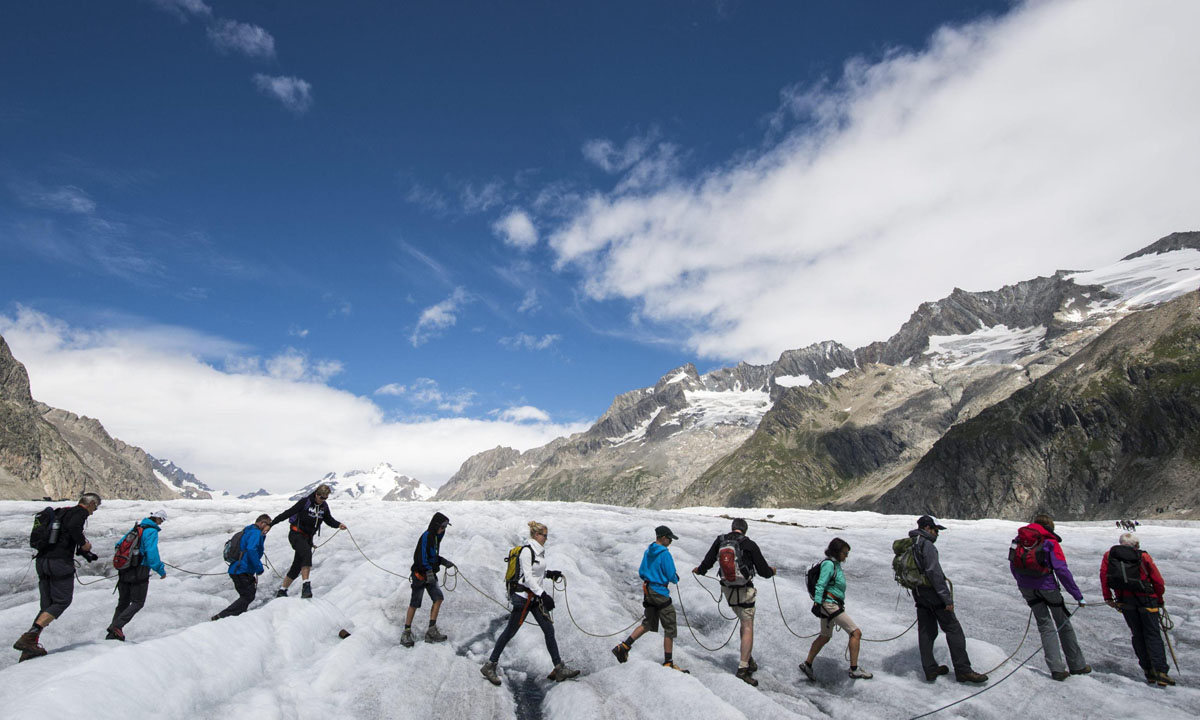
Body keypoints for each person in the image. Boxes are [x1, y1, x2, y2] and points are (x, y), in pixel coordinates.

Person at [480, 521, 579, 685]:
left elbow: (535, 572)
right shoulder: (527, 551)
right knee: (509, 632)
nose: (546, 538)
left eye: (546, 535)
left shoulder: (538, 552)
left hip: (533, 598)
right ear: (535, 535)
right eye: (544, 535)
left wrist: (549, 574)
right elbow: (526, 577)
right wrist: (544, 595)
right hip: (522, 598)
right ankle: (490, 665)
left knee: (548, 629)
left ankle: (558, 668)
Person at [12, 492, 102, 661]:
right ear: (90, 504)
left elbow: (63, 535)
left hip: (42, 561)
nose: (94, 511)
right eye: (95, 507)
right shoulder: (79, 513)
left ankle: (29, 649)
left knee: (47, 606)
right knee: (62, 601)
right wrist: (84, 544)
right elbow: (74, 528)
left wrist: (83, 552)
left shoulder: (61, 512)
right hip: (59, 564)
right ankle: (29, 638)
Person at [693, 517, 777, 685]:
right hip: (745, 591)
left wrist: (699, 570)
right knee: (747, 626)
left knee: (741, 620)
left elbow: (708, 562)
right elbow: (763, 571)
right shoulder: (749, 544)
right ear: (745, 530)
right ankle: (743, 668)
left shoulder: (721, 541)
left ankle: (748, 657)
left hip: (728, 591)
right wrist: (772, 571)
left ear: (732, 528)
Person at [1009, 512, 1090, 680]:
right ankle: (1077, 665)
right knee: (1063, 623)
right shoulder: (1050, 541)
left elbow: (1012, 564)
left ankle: (1057, 669)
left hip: (1027, 588)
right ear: (1050, 527)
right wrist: (1077, 595)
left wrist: (1022, 583)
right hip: (1047, 587)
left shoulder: (1018, 540)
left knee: (1045, 625)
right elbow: (1061, 570)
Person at [909, 515, 988, 684]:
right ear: (927, 528)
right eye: (936, 530)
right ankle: (963, 670)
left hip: (919, 592)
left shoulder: (911, 543)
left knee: (926, 631)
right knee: (953, 629)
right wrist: (947, 599)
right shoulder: (926, 545)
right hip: (932, 593)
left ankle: (930, 669)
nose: (937, 533)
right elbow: (934, 573)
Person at [1100, 532, 1173, 687]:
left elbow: (1104, 576)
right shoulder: (1143, 557)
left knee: (1137, 635)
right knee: (1152, 635)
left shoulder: (1109, 556)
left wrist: (1108, 598)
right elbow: (1157, 580)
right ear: (1136, 545)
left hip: (1125, 601)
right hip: (1147, 600)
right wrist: (1159, 599)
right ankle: (1160, 671)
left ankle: (1148, 670)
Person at [611, 525, 687, 672]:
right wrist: (674, 578)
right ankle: (668, 662)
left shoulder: (649, 550)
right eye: (670, 538)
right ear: (663, 538)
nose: (671, 541)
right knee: (669, 627)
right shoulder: (665, 554)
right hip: (660, 592)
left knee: (648, 623)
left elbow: (641, 571)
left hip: (648, 590)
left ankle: (624, 646)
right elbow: (671, 574)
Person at [800, 537, 873, 681]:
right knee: (855, 633)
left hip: (830, 604)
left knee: (825, 636)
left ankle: (807, 664)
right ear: (837, 551)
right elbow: (821, 584)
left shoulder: (835, 564)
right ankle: (854, 669)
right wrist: (817, 603)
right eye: (844, 553)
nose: (846, 556)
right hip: (830, 605)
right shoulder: (829, 565)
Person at [270, 484, 346, 599]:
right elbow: (288, 513)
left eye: (325, 498)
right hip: (296, 534)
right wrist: (271, 524)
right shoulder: (305, 502)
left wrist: (338, 525)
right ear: (316, 494)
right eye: (321, 497)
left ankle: (282, 591)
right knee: (306, 552)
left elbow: (329, 520)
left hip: (307, 538)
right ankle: (306, 586)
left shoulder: (324, 507)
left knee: (297, 566)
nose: (323, 500)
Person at [106, 508, 169, 641]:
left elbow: (118, 545)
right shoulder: (151, 531)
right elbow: (151, 553)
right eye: (162, 520)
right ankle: (116, 626)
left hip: (125, 570)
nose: (161, 523)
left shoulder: (137, 528)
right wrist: (161, 570)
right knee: (138, 602)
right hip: (139, 571)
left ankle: (113, 632)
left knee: (123, 602)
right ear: (157, 519)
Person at [401, 511, 455, 647]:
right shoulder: (426, 536)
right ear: (436, 525)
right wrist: (428, 571)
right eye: (442, 527)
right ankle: (406, 632)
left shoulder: (436, 537)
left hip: (429, 574)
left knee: (438, 598)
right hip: (420, 575)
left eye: (445, 527)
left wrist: (442, 561)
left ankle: (431, 630)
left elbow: (432, 555)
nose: (443, 530)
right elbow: (420, 557)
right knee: (415, 603)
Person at [212, 514, 273, 620]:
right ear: (263, 523)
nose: (268, 530)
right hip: (242, 569)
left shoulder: (248, 530)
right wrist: (259, 567)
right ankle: (221, 617)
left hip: (237, 569)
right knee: (248, 596)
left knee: (247, 595)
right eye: (268, 527)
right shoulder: (255, 533)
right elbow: (251, 550)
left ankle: (237, 618)